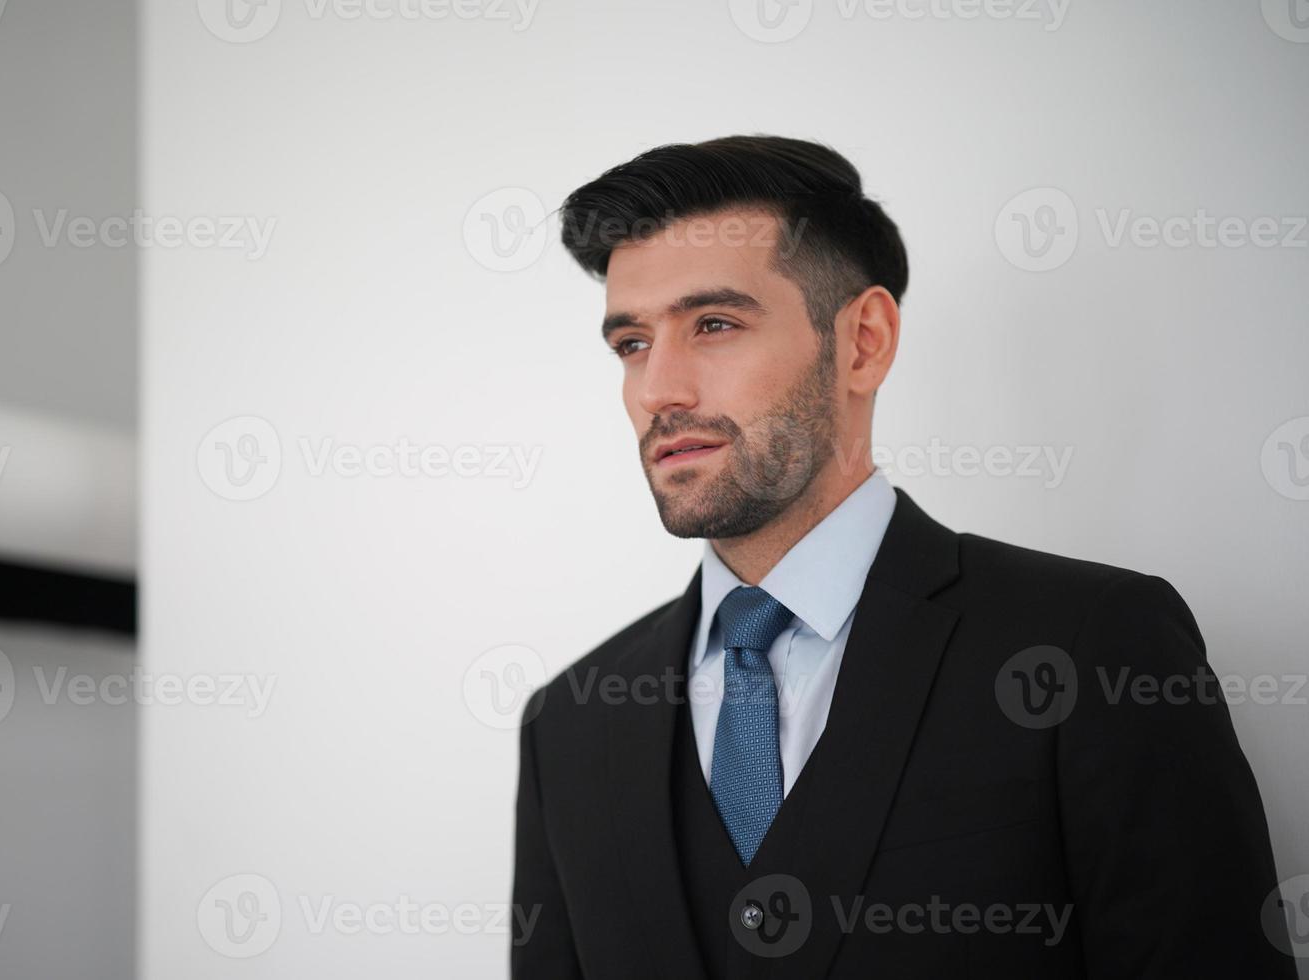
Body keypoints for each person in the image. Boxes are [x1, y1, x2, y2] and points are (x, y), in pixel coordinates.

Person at [508, 135, 1294, 979]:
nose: (659, 389)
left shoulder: (1090, 646)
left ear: (864, 341)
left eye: (714, 324)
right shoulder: (571, 725)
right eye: (631, 343)